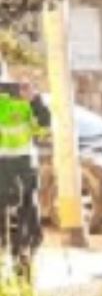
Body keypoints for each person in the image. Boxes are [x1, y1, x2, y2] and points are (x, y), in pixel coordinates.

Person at [0, 71, 49, 283]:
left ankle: (23, 267)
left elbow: (44, 128)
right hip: (6, 167)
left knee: (27, 228)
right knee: (14, 228)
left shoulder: (25, 100)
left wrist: (35, 100)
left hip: (24, 166)